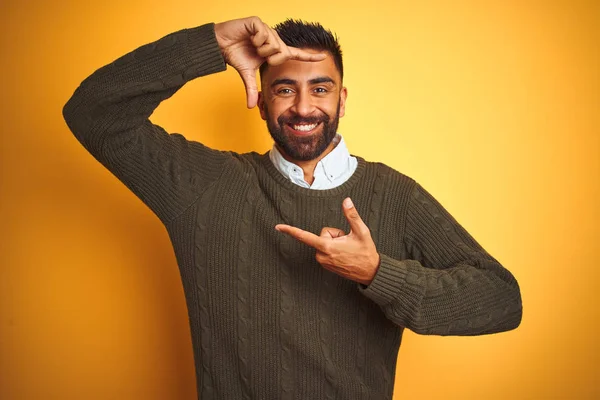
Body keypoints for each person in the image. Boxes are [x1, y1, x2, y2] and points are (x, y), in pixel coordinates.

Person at [62, 16, 522, 400]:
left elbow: (502, 301)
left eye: (320, 89)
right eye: (285, 90)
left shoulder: (396, 196)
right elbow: (93, 113)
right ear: (261, 102)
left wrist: (377, 272)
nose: (304, 107)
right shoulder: (201, 185)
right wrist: (213, 44)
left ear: (342, 100)